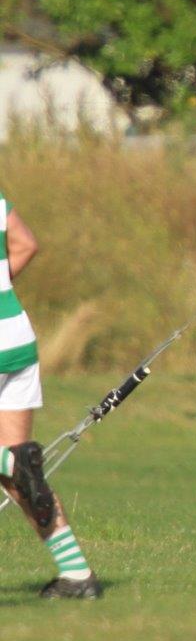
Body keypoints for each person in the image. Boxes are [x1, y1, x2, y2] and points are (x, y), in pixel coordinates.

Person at [0, 192, 101, 597]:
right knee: (19, 477)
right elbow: (26, 244)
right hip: (16, 336)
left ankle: (12, 460)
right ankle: (77, 576)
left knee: (14, 464)